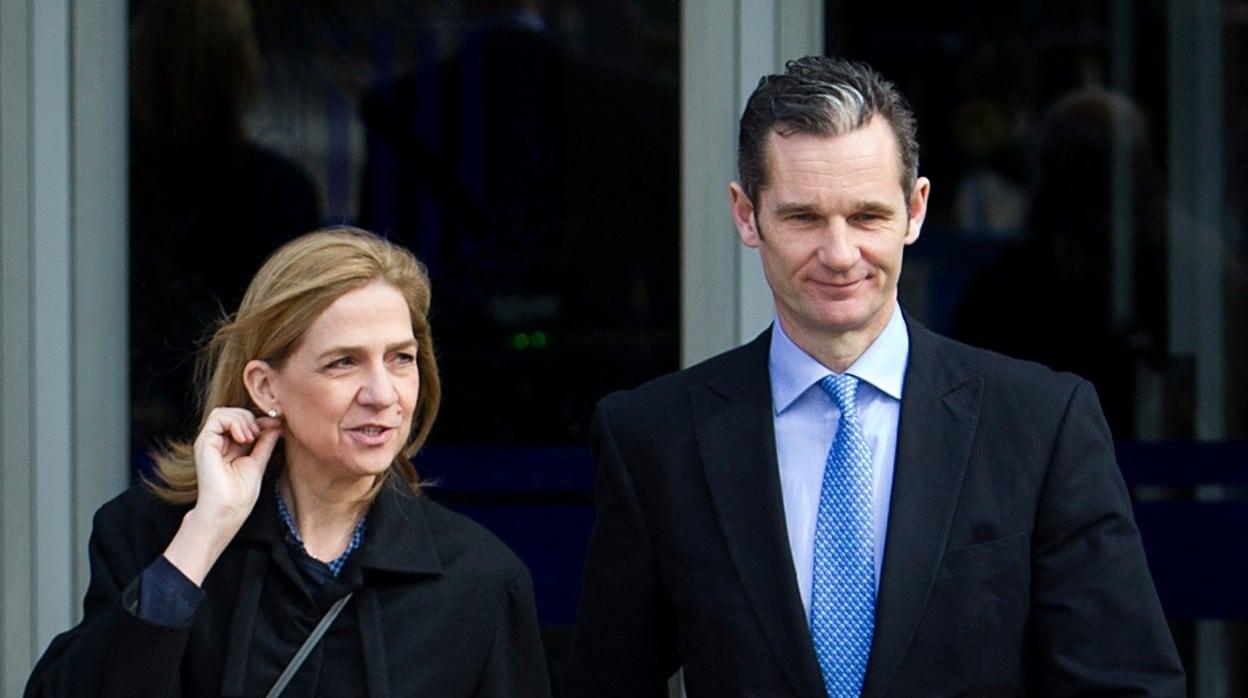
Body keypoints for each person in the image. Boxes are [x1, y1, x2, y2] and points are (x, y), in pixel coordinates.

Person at [565, 57, 1184, 696]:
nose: (839, 254)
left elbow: (1125, 682)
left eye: (866, 216)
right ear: (747, 216)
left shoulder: (1040, 424)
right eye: (803, 218)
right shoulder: (656, 438)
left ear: (915, 210)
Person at [27, 228, 551, 696]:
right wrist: (202, 537)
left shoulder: (479, 579)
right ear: (265, 386)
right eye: (343, 362)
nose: (382, 393)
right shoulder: (150, 535)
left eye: (401, 358)